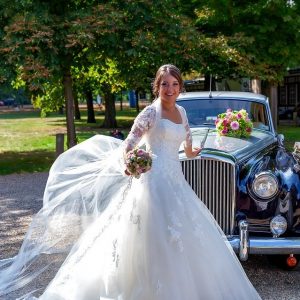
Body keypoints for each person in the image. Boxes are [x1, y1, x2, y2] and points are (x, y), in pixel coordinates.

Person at [0, 64, 261, 300]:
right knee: (149, 232)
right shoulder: (149, 113)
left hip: (176, 182)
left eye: (174, 84)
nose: (169, 89)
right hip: (151, 182)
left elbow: (187, 146)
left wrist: (196, 152)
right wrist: (133, 163)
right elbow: (128, 146)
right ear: (157, 87)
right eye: (164, 84)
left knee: (184, 233)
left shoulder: (182, 112)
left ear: (180, 86)